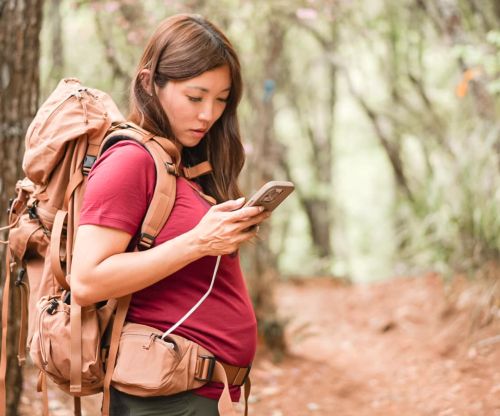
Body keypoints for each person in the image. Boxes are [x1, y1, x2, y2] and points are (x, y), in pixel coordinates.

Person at [71, 13, 269, 416]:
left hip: (198, 394)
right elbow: (87, 281)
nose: (208, 114)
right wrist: (199, 241)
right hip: (162, 397)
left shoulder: (181, 164)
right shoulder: (130, 160)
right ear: (149, 83)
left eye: (221, 99)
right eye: (195, 97)